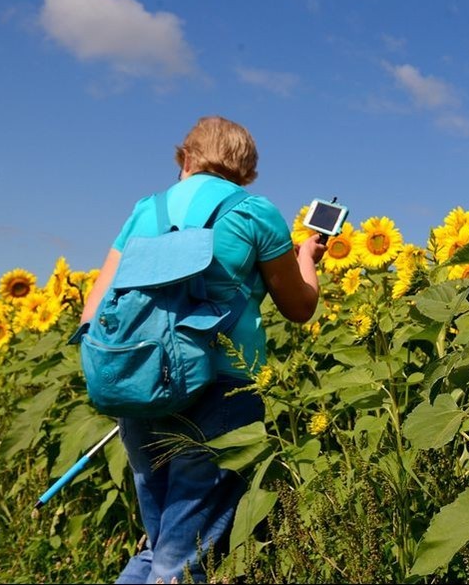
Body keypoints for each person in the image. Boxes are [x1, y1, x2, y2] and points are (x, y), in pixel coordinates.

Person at [80, 115, 325, 584]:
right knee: (182, 561)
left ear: (187, 158)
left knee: (159, 550)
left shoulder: (145, 211)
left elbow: (93, 307)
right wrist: (307, 260)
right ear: (246, 169)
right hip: (221, 391)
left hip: (135, 381)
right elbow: (298, 307)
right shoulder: (254, 212)